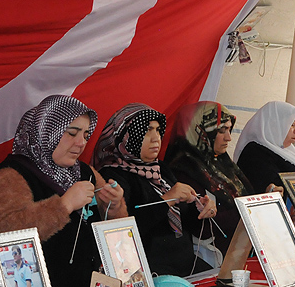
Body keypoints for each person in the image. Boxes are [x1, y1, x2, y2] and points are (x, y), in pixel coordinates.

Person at [0, 95, 127, 287]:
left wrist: (114, 207)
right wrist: (64, 205)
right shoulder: (11, 175)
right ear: (46, 130)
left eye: (86, 135)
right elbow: (4, 237)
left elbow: (117, 235)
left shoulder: (84, 172)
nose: (81, 143)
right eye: (71, 133)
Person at [93, 103, 216, 277]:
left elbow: (182, 226)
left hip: (184, 264)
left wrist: (200, 210)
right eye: (146, 131)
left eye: (158, 130)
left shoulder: (160, 169)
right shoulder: (111, 176)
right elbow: (121, 233)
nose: (156, 138)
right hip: (146, 272)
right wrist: (166, 200)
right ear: (126, 136)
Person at [165, 101, 259, 256]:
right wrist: (246, 212)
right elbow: (201, 225)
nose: (228, 138)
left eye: (229, 129)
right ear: (200, 131)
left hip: (240, 249)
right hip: (215, 256)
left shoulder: (221, 163)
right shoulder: (184, 170)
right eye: (222, 131)